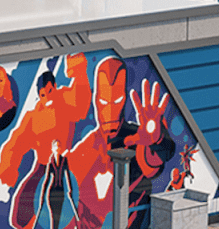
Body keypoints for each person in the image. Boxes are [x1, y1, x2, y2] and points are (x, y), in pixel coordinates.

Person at [69, 57, 175, 229]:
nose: (110, 109)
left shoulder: (138, 137)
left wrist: (156, 140)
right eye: (104, 102)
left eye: (116, 100)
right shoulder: (83, 151)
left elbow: (152, 160)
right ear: (96, 100)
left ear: (124, 99)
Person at [0, 53, 90, 229]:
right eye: (43, 94)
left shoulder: (65, 99)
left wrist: (78, 71)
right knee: (20, 214)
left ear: (54, 87)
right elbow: (16, 143)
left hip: (68, 162)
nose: (48, 98)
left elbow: (81, 100)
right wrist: (8, 166)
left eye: (50, 91)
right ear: (38, 95)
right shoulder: (34, 117)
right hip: (42, 166)